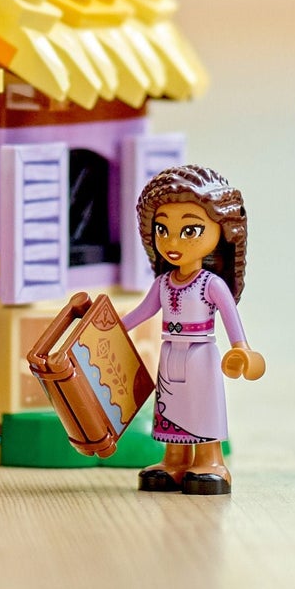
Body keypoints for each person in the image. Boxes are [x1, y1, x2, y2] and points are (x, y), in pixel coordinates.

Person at [121, 164, 266, 494]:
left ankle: (210, 461)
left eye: (189, 231)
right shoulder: (163, 282)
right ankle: (174, 459)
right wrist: (111, 328)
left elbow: (230, 318)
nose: (172, 241)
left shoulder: (210, 284)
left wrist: (241, 348)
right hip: (170, 351)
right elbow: (142, 312)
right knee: (170, 406)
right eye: (162, 229)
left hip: (200, 353)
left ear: (221, 231)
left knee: (202, 406)